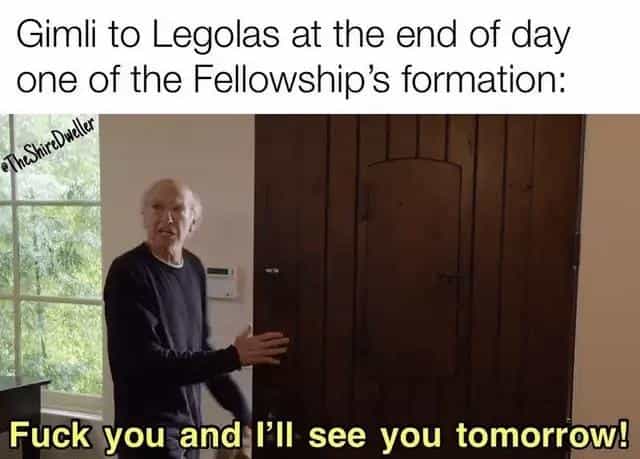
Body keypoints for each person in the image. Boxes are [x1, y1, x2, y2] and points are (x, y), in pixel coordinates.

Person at [104, 178, 288, 459]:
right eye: (157, 207)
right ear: (144, 215)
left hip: (189, 430)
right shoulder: (128, 273)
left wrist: (242, 411)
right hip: (146, 437)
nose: (166, 217)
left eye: (178, 209)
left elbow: (199, 348)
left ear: (193, 222)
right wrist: (233, 357)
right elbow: (147, 363)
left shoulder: (193, 268)